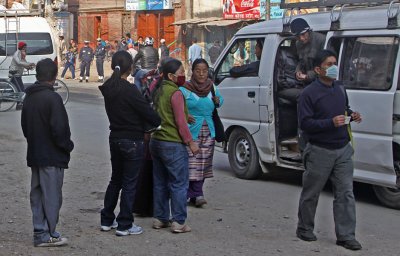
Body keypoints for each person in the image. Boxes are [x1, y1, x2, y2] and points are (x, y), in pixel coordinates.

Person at [296, 50, 363, 251]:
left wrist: (353, 114)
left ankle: (346, 235)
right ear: (318, 69)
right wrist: (329, 123)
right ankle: (304, 228)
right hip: (319, 150)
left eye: (334, 63)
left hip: (343, 148)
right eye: (328, 64)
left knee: (346, 194)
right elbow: (305, 124)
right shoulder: (308, 94)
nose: (333, 67)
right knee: (311, 192)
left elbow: (345, 108)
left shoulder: (340, 88)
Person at [98, 51, 161, 236]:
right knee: (129, 183)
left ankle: (106, 220)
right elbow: (147, 112)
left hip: (115, 137)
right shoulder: (129, 89)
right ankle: (125, 224)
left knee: (115, 180)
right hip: (132, 139)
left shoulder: (109, 86)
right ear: (130, 68)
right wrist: (156, 121)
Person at [21, 58, 74, 247]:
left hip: (36, 153)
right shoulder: (53, 98)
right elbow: (60, 130)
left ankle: (40, 231)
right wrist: (67, 146)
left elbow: (25, 127)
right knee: (51, 196)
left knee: (37, 195)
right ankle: (47, 234)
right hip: (52, 156)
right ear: (54, 77)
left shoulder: (30, 97)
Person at [150, 58, 199, 233]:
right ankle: (178, 221)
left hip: (156, 141)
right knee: (179, 183)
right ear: (171, 76)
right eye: (180, 73)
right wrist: (191, 142)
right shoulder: (176, 93)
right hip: (172, 143)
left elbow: (167, 113)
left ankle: (160, 218)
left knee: (160, 182)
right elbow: (179, 122)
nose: (183, 76)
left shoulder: (157, 89)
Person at [180, 58, 224, 207]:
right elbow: (176, 106)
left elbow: (220, 100)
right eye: (198, 70)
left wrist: (218, 101)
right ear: (193, 72)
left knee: (204, 163)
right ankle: (190, 193)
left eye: (204, 71)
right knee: (191, 163)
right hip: (191, 131)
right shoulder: (184, 88)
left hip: (208, 130)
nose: (201, 74)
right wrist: (185, 115)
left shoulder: (212, 87)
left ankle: (197, 193)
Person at [290, 18, 326, 85]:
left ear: (308, 31)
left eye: (303, 34)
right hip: (307, 83)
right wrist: (298, 71)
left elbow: (327, 66)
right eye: (298, 36)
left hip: (322, 82)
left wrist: (309, 76)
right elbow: (301, 62)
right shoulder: (298, 44)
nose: (301, 38)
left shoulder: (321, 40)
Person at [9, 41, 35, 109]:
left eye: (25, 47)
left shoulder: (22, 54)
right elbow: (19, 62)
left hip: (17, 74)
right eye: (24, 47)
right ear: (21, 47)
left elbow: (24, 62)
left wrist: (29, 67)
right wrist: (29, 64)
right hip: (15, 73)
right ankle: (19, 104)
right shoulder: (17, 53)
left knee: (18, 89)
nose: (25, 48)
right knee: (20, 90)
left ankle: (19, 104)